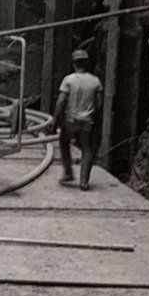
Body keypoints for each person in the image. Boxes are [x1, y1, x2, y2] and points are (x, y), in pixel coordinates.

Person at [53, 51, 104, 191]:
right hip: (87, 121)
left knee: (64, 143)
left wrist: (56, 119)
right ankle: (84, 181)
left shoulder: (68, 80)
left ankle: (68, 173)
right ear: (86, 63)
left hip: (70, 120)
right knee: (87, 149)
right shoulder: (95, 81)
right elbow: (99, 105)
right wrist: (96, 121)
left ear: (73, 63)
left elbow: (61, 101)